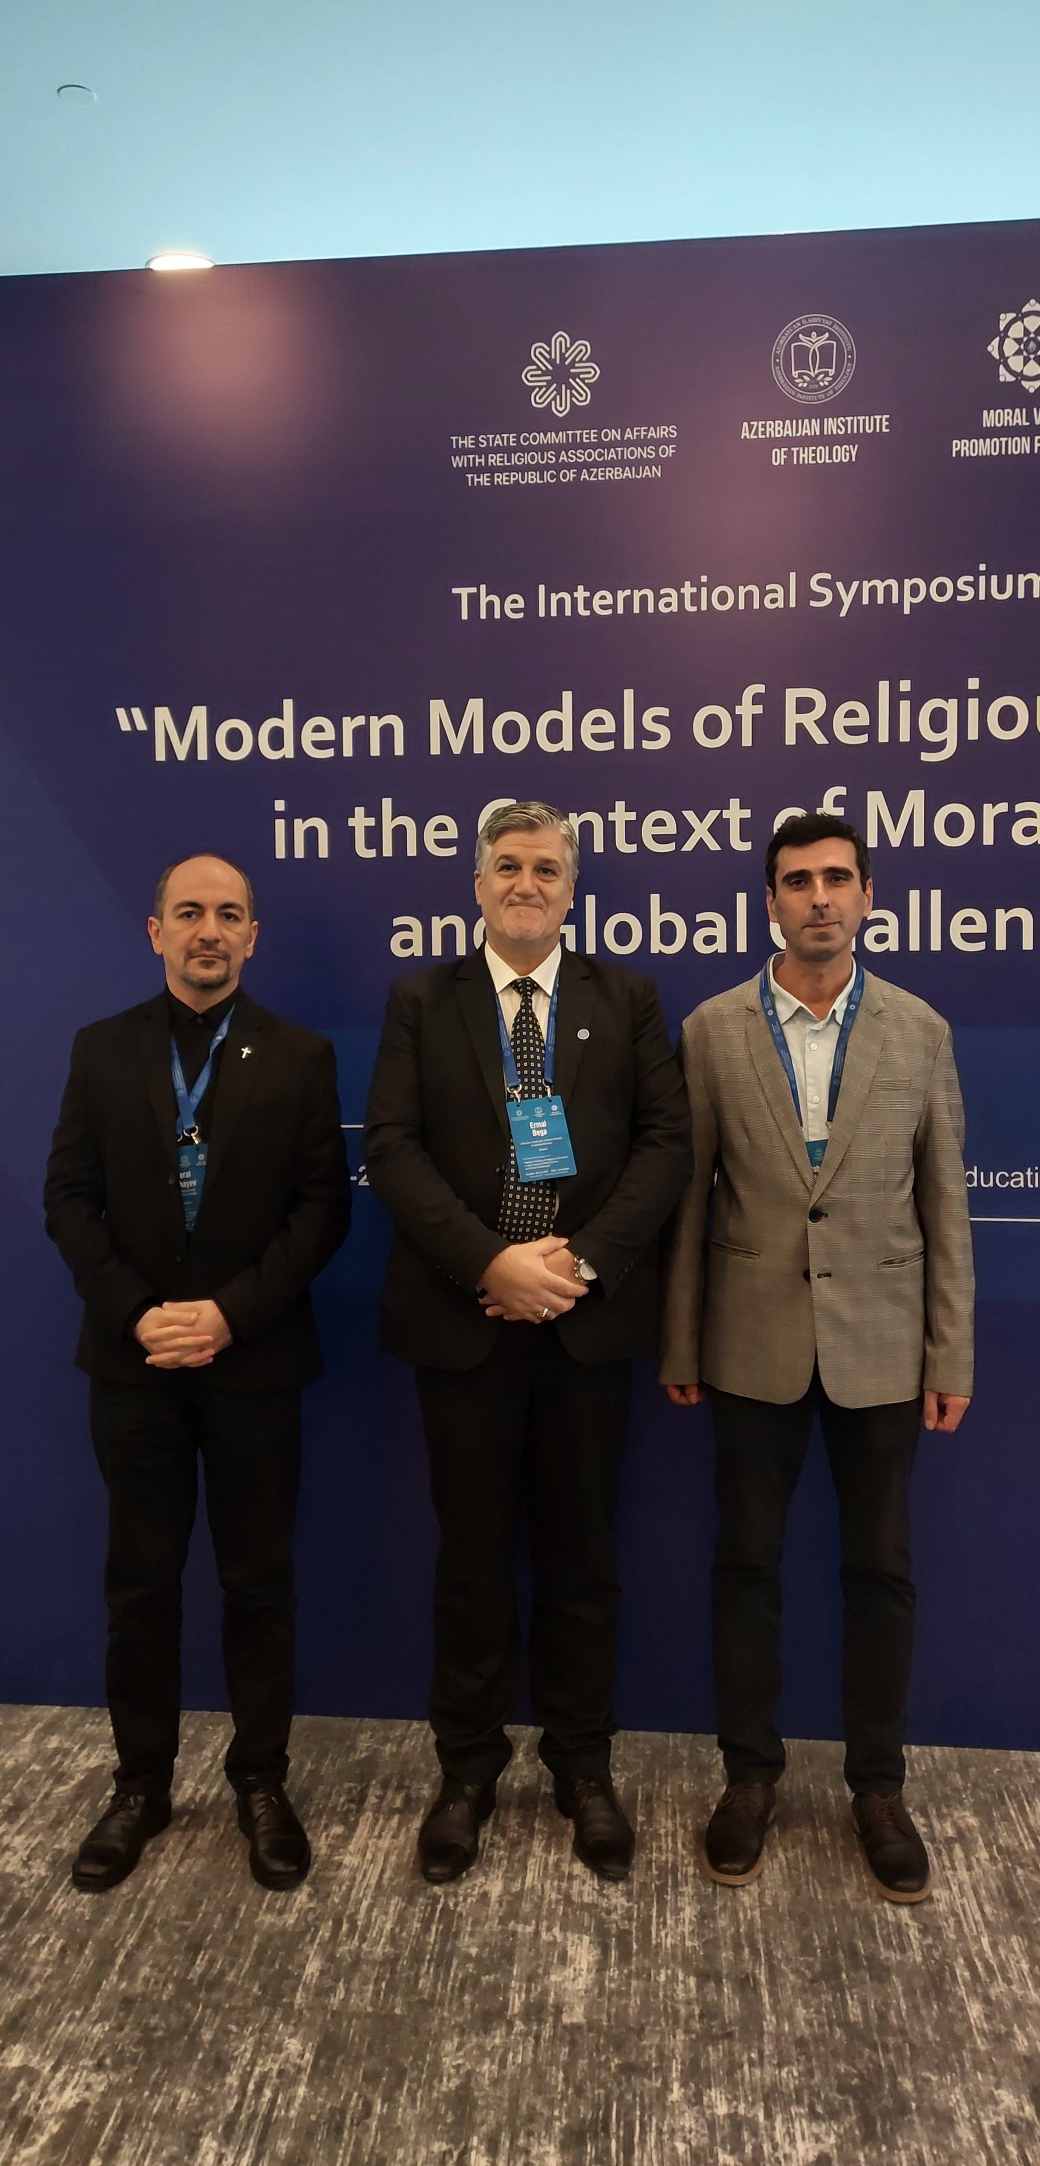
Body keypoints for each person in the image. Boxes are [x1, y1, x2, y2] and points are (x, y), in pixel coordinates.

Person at [364, 800, 691, 1883]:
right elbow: (394, 1149)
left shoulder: (625, 997)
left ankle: (582, 1768)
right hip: (464, 1323)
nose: (526, 883)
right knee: (469, 1561)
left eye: (546, 868)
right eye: (507, 864)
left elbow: (665, 1145)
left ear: (571, 888)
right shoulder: (422, 999)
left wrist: (574, 1265)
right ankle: (465, 1772)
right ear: (476, 882)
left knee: (581, 1561)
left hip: (583, 1327)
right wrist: (491, 1264)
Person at [660, 812, 974, 1905]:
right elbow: (690, 1201)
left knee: (878, 1569)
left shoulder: (919, 1030)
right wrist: (680, 1336)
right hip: (747, 1345)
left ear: (868, 895)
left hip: (882, 1346)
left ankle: (876, 1789)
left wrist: (950, 1353)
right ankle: (748, 1777)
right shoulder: (709, 1030)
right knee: (745, 1565)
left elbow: (945, 1205)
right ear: (770, 903)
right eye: (797, 881)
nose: (819, 898)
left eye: (837, 878)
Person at [44, 854, 351, 1893]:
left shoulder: (301, 1055)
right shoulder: (101, 1049)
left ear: (252, 936)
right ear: (156, 931)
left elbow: (322, 1209)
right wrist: (139, 1312)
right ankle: (140, 1786)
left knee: (258, 1583)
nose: (208, 929)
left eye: (227, 914)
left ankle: (261, 1782)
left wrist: (226, 1315)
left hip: (253, 1359)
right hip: (134, 1362)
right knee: (140, 1585)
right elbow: (68, 1197)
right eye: (189, 912)